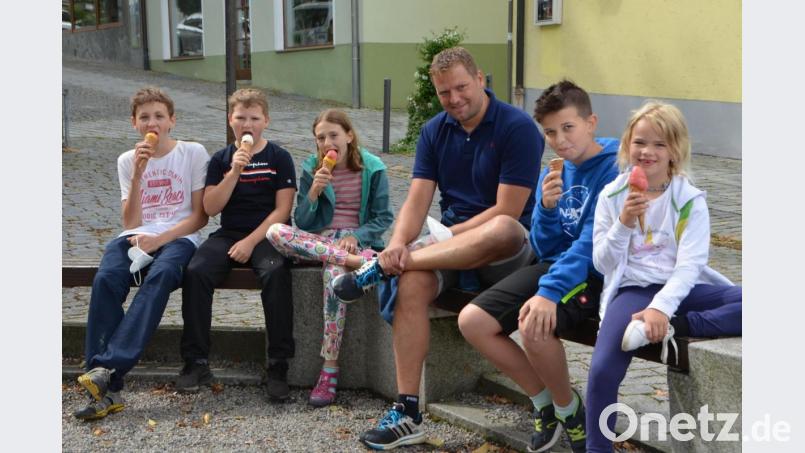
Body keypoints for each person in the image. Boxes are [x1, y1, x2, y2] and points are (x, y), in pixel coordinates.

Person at [332, 47, 544, 450]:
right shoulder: (434, 130)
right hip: (446, 248)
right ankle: (408, 411)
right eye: (444, 92)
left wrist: (418, 248)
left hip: (507, 252)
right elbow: (416, 200)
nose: (454, 99)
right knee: (411, 284)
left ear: (481, 79)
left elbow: (509, 209)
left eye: (461, 87)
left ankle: (380, 267)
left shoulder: (517, 127)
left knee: (502, 227)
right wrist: (396, 243)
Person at [458, 80, 620, 453]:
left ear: (591, 122)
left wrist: (547, 293)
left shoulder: (613, 171)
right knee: (473, 321)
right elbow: (544, 245)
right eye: (550, 132)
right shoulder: (556, 169)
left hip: (593, 275)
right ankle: (549, 403)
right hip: (556, 266)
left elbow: (590, 246)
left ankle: (572, 411)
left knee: (534, 325)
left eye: (568, 127)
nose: (560, 140)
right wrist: (546, 209)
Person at [585, 101, 742, 452]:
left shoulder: (689, 200)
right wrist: (624, 224)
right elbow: (602, 262)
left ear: (675, 150)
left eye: (660, 144)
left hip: (683, 291)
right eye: (640, 142)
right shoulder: (612, 196)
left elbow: (689, 266)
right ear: (628, 145)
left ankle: (680, 328)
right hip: (634, 291)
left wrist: (662, 311)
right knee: (601, 372)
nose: (648, 152)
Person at [74, 87, 210, 420]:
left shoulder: (192, 152)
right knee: (106, 278)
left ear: (172, 121)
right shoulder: (126, 160)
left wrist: (160, 239)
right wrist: (137, 173)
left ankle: (107, 371)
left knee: (162, 275)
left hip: (180, 237)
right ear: (135, 124)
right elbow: (131, 221)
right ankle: (103, 387)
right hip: (135, 237)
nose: (153, 122)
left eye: (159, 116)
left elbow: (199, 217)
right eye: (145, 117)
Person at [266, 109, 393, 407]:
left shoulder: (373, 168)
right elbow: (303, 223)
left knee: (335, 282)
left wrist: (356, 237)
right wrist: (313, 192)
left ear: (349, 135)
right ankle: (362, 266)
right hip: (323, 242)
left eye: (333, 135)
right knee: (275, 231)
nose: (327, 142)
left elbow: (384, 217)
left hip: (355, 245)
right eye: (321, 137)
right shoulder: (313, 167)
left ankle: (329, 369)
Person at [177, 88, 297, 401]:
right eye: (241, 117)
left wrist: (251, 241)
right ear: (231, 120)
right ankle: (196, 360)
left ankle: (278, 364)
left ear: (266, 121)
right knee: (196, 271)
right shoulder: (220, 159)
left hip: (268, 235)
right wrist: (235, 170)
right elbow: (212, 207)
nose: (247, 123)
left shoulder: (279, 158)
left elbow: (283, 211)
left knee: (275, 272)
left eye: (254, 118)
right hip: (230, 233)